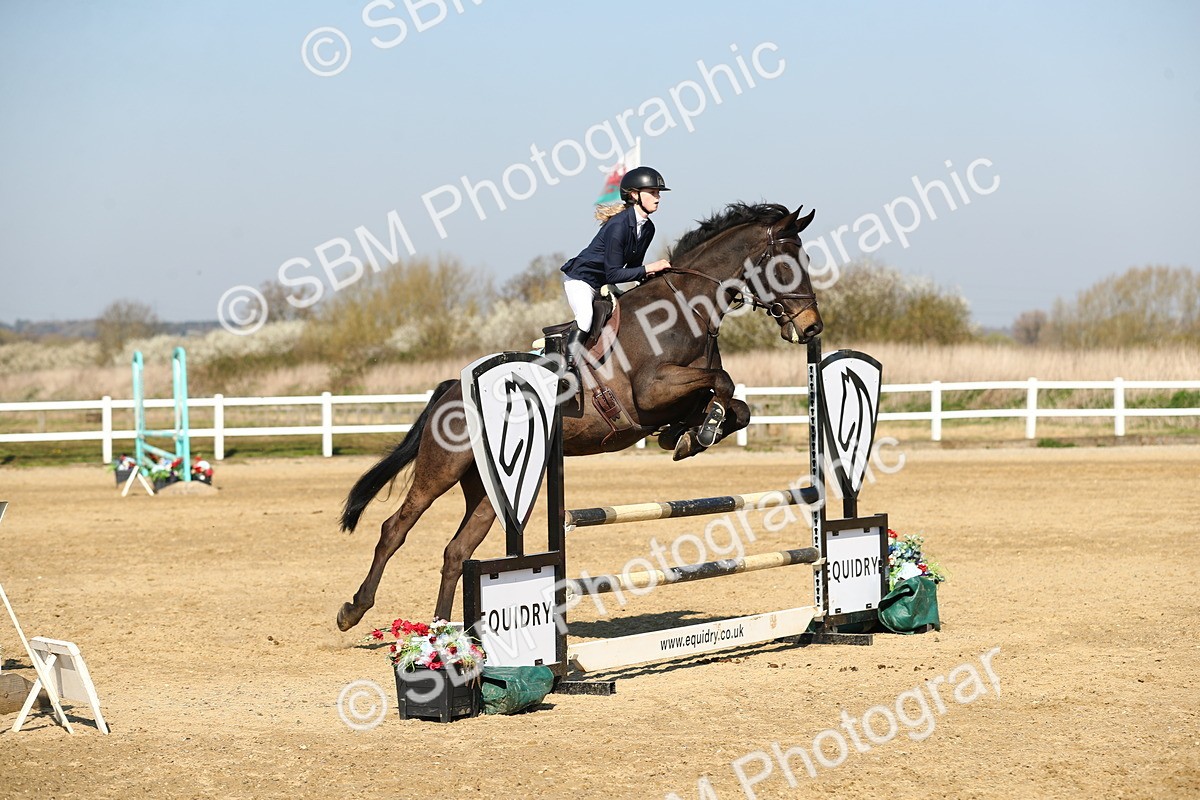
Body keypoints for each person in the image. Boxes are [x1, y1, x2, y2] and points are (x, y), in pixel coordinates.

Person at [560, 166, 672, 364]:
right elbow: (614, 274)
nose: (658, 198)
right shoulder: (618, 226)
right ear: (634, 195)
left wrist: (651, 277)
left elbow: (633, 269)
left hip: (603, 284)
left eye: (658, 193)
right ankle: (568, 369)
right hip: (581, 281)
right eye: (653, 192)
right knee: (586, 318)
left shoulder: (648, 228)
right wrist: (650, 268)